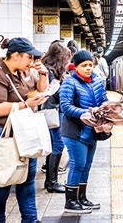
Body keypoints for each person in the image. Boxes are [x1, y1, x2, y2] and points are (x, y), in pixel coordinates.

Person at [0, 37, 49, 222]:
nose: (32, 62)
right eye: (29, 57)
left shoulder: (23, 72)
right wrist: (25, 105)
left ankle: (30, 219)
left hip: (21, 132)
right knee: (3, 180)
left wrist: (43, 74)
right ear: (16, 55)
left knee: (27, 178)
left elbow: (41, 90)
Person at [60, 50, 108, 213]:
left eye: (90, 65)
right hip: (74, 131)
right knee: (77, 164)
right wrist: (85, 112)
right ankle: (71, 202)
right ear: (76, 67)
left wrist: (108, 109)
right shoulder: (69, 82)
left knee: (86, 166)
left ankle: (82, 198)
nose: (88, 68)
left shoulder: (98, 81)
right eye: (84, 65)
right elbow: (65, 107)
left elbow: (103, 100)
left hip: (92, 130)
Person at [40, 41, 72, 193]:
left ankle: (50, 181)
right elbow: (54, 93)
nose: (67, 62)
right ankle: (52, 182)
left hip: (52, 111)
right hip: (52, 112)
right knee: (58, 145)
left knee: (54, 145)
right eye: (65, 59)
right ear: (59, 58)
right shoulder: (50, 72)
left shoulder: (48, 69)